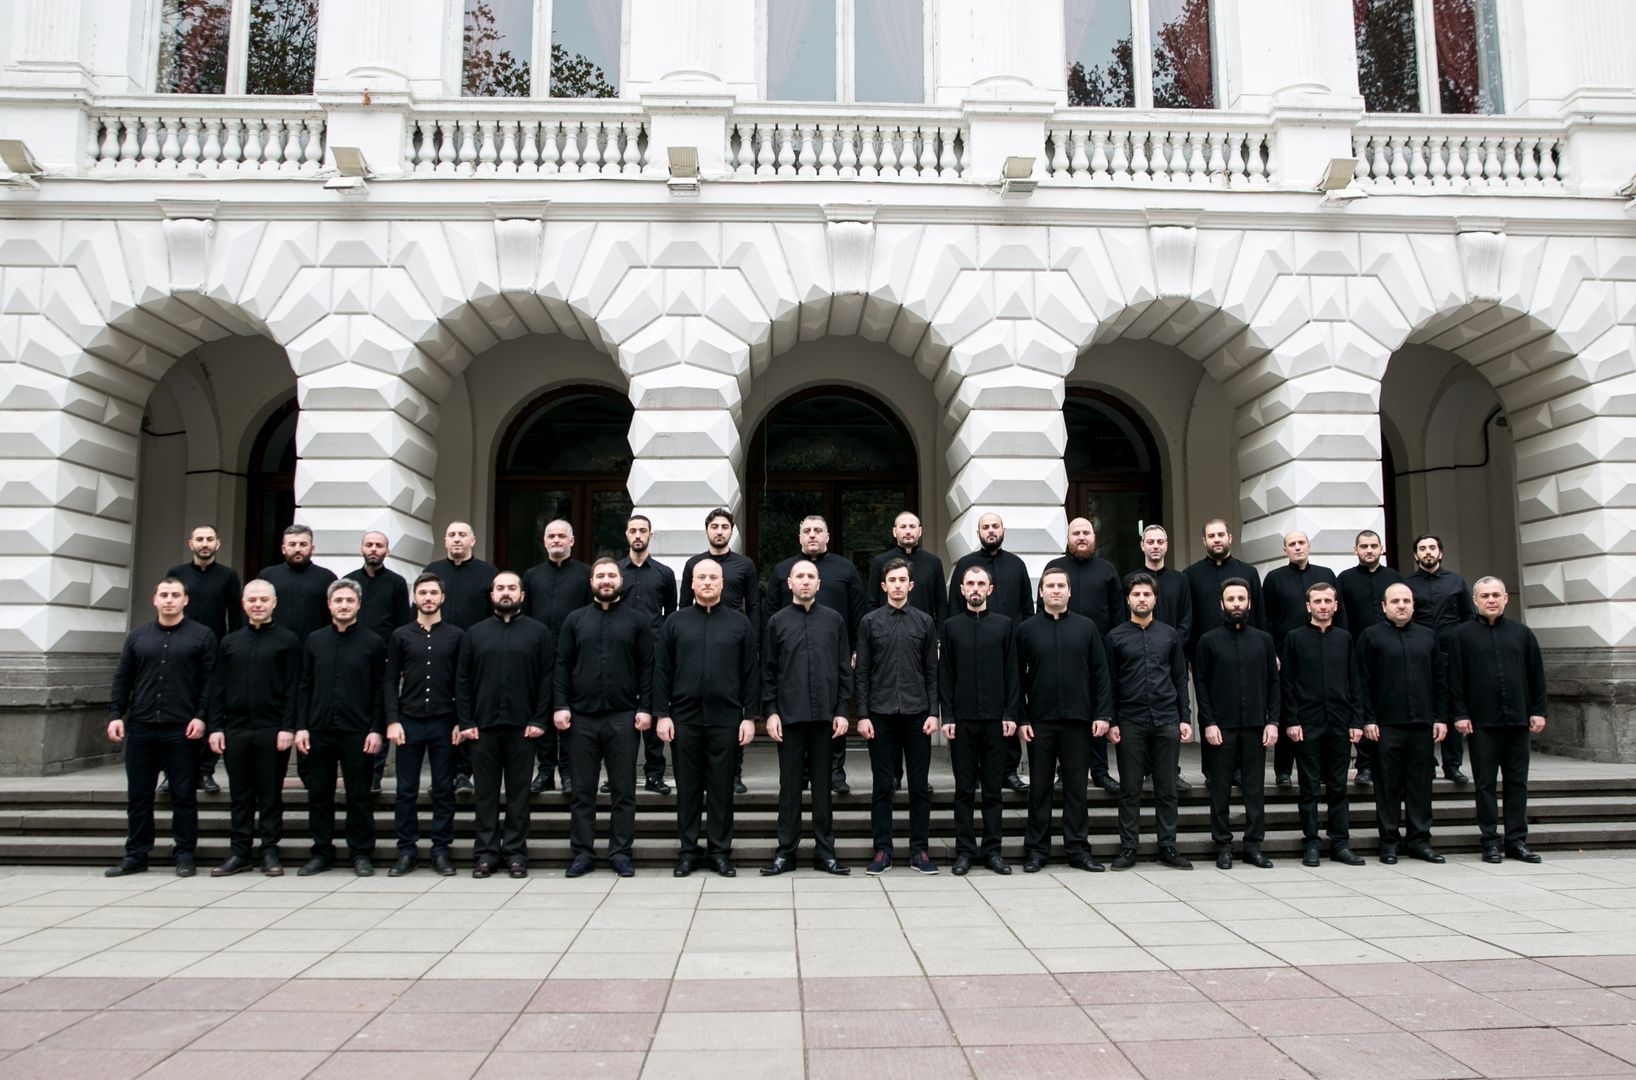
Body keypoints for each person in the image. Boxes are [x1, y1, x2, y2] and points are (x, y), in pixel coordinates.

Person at [104, 577, 217, 878]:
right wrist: (116, 714)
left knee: (183, 795)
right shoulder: (138, 637)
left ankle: (184, 854)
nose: (169, 600)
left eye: (175, 595)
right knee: (139, 796)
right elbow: (122, 677)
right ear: (154, 599)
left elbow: (209, 682)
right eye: (164, 595)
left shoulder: (202, 636)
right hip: (141, 726)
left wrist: (201, 716)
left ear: (185, 600)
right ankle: (136, 854)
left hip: (182, 728)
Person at [655, 557, 758, 878]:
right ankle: (687, 852)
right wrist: (662, 714)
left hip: (727, 719)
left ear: (723, 584)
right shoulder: (675, 622)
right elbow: (661, 671)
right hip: (683, 718)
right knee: (687, 788)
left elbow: (750, 674)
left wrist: (749, 717)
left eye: (714, 577)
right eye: (702, 577)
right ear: (692, 584)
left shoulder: (740, 623)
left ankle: (719, 852)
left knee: (721, 788)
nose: (708, 582)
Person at [556, 558, 654, 878]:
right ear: (592, 582)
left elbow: (647, 668)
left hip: (623, 717)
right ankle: (583, 852)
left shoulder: (638, 622)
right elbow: (561, 666)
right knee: (582, 791)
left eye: (612, 575)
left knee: (623, 791)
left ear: (621, 582)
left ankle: (620, 852)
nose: (606, 580)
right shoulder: (574, 620)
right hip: (581, 718)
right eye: (601, 576)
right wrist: (560, 705)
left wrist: (645, 708)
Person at [1015, 567, 1112, 873]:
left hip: (1079, 721)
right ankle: (1036, 851)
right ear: (1040, 592)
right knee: (1040, 788)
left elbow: (1101, 674)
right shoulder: (1026, 630)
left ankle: (1078, 850)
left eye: (1060, 586)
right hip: (1040, 722)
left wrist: (1103, 714)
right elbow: (1016, 679)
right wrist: (1021, 717)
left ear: (1069, 592)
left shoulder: (1087, 628)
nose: (1055, 590)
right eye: (1049, 586)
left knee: (1075, 789)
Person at [457, 572, 552, 878]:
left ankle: (514, 853)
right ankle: (485, 854)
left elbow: (545, 680)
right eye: (500, 588)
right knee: (485, 794)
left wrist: (539, 720)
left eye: (512, 588)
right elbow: (462, 680)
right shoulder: (474, 633)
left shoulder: (538, 633)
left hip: (523, 728)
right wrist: (466, 721)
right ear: (492, 595)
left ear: (522, 595)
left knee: (518, 794)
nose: (506, 592)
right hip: (481, 728)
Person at [761, 559, 852, 876]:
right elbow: (768, 672)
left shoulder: (834, 620)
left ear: (818, 583)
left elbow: (843, 670)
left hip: (826, 718)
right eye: (799, 576)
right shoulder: (777, 622)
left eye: (810, 576)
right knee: (789, 790)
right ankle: (785, 853)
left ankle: (825, 853)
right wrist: (770, 712)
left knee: (823, 789)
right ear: (789, 583)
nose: (805, 581)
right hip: (789, 718)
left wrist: (843, 710)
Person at [1448, 576, 1548, 864]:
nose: (1491, 600)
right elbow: (1455, 679)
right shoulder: (1461, 635)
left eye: (1495, 595)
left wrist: (1538, 711)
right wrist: (1461, 714)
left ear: (1506, 598)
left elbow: (1536, 676)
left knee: (1517, 783)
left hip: (1518, 721)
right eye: (1484, 596)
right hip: (1482, 723)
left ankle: (1517, 841)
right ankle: (1490, 841)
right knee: (1485, 784)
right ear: (1475, 601)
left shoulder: (1523, 634)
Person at [205, 579, 299, 877]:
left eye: (263, 600)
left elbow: (293, 689)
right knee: (241, 794)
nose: (257, 605)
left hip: (273, 729)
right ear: (244, 605)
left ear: (274, 603)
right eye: (252, 600)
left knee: (271, 793)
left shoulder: (288, 640)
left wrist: (288, 727)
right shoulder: (230, 642)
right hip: (236, 729)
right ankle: (240, 852)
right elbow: (217, 687)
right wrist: (215, 727)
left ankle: (270, 851)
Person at [765, 515, 865, 795]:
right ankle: (803, 775)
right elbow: (770, 612)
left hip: (834, 654)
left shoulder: (845, 569)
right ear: (799, 537)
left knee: (834, 715)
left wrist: (856, 648)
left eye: (818, 530)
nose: (812, 535)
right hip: (792, 658)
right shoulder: (783, 570)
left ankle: (835, 773)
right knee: (798, 720)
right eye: (806, 531)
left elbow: (858, 612)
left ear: (827, 536)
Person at [294, 580, 386, 877]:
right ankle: (322, 851)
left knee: (359, 795)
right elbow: (304, 686)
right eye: (338, 600)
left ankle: (361, 852)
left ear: (358, 604)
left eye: (349, 600)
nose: (344, 605)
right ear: (329, 605)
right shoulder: (314, 641)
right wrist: (301, 727)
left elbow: (379, 691)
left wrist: (376, 729)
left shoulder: (373, 642)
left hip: (358, 732)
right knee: (319, 794)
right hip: (319, 729)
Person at [856, 558, 939, 875]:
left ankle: (920, 851)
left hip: (918, 715)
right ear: (884, 585)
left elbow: (932, 672)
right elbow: (861, 673)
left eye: (903, 580)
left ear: (910, 585)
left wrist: (934, 712)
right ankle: (882, 851)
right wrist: (862, 715)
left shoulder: (924, 622)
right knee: (882, 786)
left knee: (919, 786)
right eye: (892, 580)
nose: (897, 585)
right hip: (880, 716)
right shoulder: (870, 622)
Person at [1356, 582, 1448, 865]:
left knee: (1421, 785)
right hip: (1386, 725)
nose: (1401, 605)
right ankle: (1389, 842)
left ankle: (1420, 840)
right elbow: (1362, 682)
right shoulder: (1370, 637)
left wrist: (1441, 718)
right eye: (1395, 601)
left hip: (1421, 723)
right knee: (1387, 786)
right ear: (1384, 606)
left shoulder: (1428, 637)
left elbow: (1440, 681)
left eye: (1406, 601)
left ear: (1413, 605)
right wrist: (1368, 719)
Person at [1106, 573, 1193, 870]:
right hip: (1129, 721)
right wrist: (1112, 721)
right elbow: (1110, 682)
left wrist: (1185, 717)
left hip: (1167, 719)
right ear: (1128, 599)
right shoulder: (1115, 637)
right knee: (1130, 788)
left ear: (1155, 599)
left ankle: (1167, 846)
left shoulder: (1169, 635)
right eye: (1136, 594)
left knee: (1166, 788)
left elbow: (1180, 678)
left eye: (1146, 594)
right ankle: (1129, 847)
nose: (1141, 598)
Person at [939, 565, 1020, 875]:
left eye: (980, 583)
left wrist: (1011, 713)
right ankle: (964, 851)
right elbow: (945, 674)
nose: (975, 588)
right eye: (969, 583)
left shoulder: (1004, 625)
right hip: (962, 722)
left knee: (993, 791)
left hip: (997, 722)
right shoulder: (951, 626)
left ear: (990, 589)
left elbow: (1013, 674)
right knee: (963, 790)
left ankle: (993, 851)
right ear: (961, 590)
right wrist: (948, 716)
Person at [1280, 582, 1368, 868]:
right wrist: (1291, 720)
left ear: (1335, 605)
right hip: (1307, 723)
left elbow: (1354, 682)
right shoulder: (1294, 638)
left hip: (1340, 723)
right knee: (1309, 787)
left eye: (1327, 601)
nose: (1322, 606)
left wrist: (1356, 721)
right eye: (1317, 601)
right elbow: (1288, 683)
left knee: (1338, 787)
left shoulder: (1344, 639)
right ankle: (1311, 842)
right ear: (1308, 606)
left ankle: (1340, 842)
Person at [1194, 578, 1278, 870]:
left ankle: (1253, 845)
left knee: (1255, 789)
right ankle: (1224, 845)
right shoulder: (1208, 641)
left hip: (1256, 726)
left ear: (1250, 603)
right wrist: (1208, 723)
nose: (1237, 604)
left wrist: (1273, 722)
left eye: (1241, 599)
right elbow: (1200, 686)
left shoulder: (1264, 641)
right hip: (1221, 727)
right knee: (1220, 789)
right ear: (1222, 604)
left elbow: (1273, 683)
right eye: (1231, 599)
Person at [384, 573, 463, 878]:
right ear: (414, 598)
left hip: (445, 722)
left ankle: (440, 850)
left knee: (444, 789)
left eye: (433, 593)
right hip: (409, 722)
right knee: (406, 789)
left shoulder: (456, 636)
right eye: (422, 593)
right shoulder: (400, 636)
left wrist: (461, 721)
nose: (428, 598)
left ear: (442, 598)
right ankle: (407, 850)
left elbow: (462, 682)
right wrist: (392, 721)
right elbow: (390, 681)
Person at [948, 512, 1034, 792]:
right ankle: (969, 773)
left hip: (1010, 646)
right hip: (970, 646)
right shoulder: (965, 565)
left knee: (1011, 702)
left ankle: (1009, 769)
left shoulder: (1017, 565)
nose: (991, 530)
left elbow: (1027, 608)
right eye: (986, 527)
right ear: (978, 532)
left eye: (995, 526)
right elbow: (953, 610)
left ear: (1003, 529)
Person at [681, 508, 760, 794]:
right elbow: (683, 606)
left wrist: (754, 641)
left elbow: (753, 605)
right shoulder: (694, 563)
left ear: (731, 531)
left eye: (724, 526)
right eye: (714, 526)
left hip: (734, 641)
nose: (719, 531)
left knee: (733, 709)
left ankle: (734, 773)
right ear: (707, 531)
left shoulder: (744, 565)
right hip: (698, 639)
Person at [1181, 518, 1263, 792]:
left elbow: (1259, 613)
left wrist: (1267, 651)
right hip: (1207, 653)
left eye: (1221, 535)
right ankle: (1211, 769)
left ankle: (1239, 768)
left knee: (1242, 707)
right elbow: (1189, 618)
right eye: (1211, 536)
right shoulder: (1190, 575)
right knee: (1210, 711)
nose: (1217, 539)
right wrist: (1189, 655)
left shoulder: (1249, 572)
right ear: (1204, 541)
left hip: (1247, 650)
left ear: (1230, 537)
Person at [1045, 517, 1124, 794]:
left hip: (1099, 654)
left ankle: (1100, 771)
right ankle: (1062, 772)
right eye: (1075, 533)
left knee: (1099, 712)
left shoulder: (1107, 570)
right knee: (1062, 716)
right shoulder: (1055, 570)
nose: (1081, 537)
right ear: (1067, 538)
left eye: (1086, 533)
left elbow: (1118, 615)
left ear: (1094, 537)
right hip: (1060, 654)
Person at [1262, 531, 1345, 787]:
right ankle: (1283, 770)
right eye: (1292, 544)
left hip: (1322, 651)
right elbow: (1267, 619)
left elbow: (1339, 614)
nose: (1297, 547)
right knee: (1289, 708)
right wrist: (1272, 652)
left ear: (1309, 546)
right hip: (1286, 653)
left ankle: (1319, 769)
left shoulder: (1326, 575)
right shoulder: (1275, 578)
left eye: (1301, 543)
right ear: (1284, 549)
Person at [423, 521, 498, 793]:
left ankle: (464, 772)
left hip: (475, 652)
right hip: (437, 652)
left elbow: (495, 615)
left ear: (472, 541)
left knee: (469, 711)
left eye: (462, 535)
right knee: (441, 713)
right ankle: (442, 774)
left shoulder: (488, 573)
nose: (457, 539)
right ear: (445, 541)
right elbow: (419, 609)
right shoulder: (432, 572)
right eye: (452, 535)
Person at [167, 524, 243, 794]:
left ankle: (205, 771)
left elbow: (236, 616)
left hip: (215, 652)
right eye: (199, 539)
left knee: (211, 711)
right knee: (179, 710)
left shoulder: (228, 576)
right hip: (179, 650)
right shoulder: (177, 574)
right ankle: (173, 773)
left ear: (218, 544)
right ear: (191, 544)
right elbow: (170, 607)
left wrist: (231, 649)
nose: (205, 544)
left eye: (210, 539)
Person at [523, 519, 592, 795]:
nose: (556, 540)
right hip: (540, 659)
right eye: (551, 536)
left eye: (562, 536)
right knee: (543, 715)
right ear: (544, 541)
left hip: (575, 659)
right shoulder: (531, 576)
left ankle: (568, 772)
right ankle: (545, 771)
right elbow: (525, 617)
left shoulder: (585, 574)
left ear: (572, 541)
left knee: (568, 718)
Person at [346, 531, 413, 792]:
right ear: (361, 548)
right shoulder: (349, 582)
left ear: (388, 551)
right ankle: (356, 771)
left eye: (379, 545)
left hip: (386, 660)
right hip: (353, 659)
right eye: (369, 545)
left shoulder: (397, 583)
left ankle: (375, 773)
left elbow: (401, 625)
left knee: (382, 713)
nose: (373, 549)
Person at [1336, 529, 1403, 786]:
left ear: (1381, 548)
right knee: (1361, 704)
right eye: (1364, 546)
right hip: (1357, 650)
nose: (1369, 550)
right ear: (1356, 550)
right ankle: (1363, 764)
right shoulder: (1345, 579)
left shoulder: (1394, 578)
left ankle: (1386, 760)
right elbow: (1341, 616)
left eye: (1374, 545)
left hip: (1391, 651)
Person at [1407, 533, 1474, 784]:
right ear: (1416, 555)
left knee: (1451, 707)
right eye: (1422, 549)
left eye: (1432, 548)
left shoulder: (1456, 582)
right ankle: (1428, 760)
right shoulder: (1409, 585)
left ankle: (1453, 764)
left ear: (1440, 553)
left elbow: (1468, 617)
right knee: (1424, 707)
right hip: (1420, 654)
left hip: (1451, 653)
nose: (1428, 552)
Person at [618, 513, 676, 795]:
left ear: (650, 535)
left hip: (653, 653)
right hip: (621, 652)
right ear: (626, 534)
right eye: (633, 530)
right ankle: (617, 774)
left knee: (654, 714)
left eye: (643, 530)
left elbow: (670, 613)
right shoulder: (616, 571)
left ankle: (654, 774)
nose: (638, 535)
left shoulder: (664, 573)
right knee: (621, 717)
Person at [868, 511, 947, 625]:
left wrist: (939, 636)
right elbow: (872, 602)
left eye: (912, 526)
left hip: (924, 629)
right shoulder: (880, 562)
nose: (908, 531)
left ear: (920, 531)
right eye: (903, 527)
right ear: (894, 532)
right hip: (887, 630)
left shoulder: (933, 562)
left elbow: (941, 604)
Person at [1138, 525, 1192, 650]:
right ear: (1142, 546)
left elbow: (1186, 618)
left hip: (1176, 650)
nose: (1155, 546)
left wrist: (1174, 644)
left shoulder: (1180, 580)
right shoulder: (1131, 580)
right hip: (1141, 652)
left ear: (1166, 546)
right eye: (1150, 542)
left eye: (1160, 542)